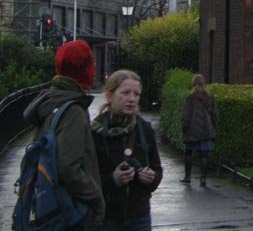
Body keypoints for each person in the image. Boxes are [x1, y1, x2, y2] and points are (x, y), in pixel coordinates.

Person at [23, 39, 105, 230]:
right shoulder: (73, 110)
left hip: (51, 208)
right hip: (71, 211)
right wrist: (95, 197)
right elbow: (68, 167)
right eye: (91, 62)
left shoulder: (51, 102)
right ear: (83, 69)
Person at [90, 70, 162, 231]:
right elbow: (87, 179)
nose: (132, 99)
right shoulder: (95, 133)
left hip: (139, 217)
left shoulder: (145, 130)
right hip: (106, 218)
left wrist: (151, 178)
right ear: (110, 96)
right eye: (125, 93)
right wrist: (113, 179)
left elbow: (157, 169)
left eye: (136, 94)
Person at [180, 74, 218, 187]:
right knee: (204, 156)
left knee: (188, 154)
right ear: (204, 84)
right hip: (206, 131)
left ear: (193, 84)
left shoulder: (190, 98)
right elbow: (215, 115)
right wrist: (213, 126)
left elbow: (186, 115)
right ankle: (203, 179)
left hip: (192, 131)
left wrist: (184, 128)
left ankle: (187, 177)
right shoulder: (210, 97)